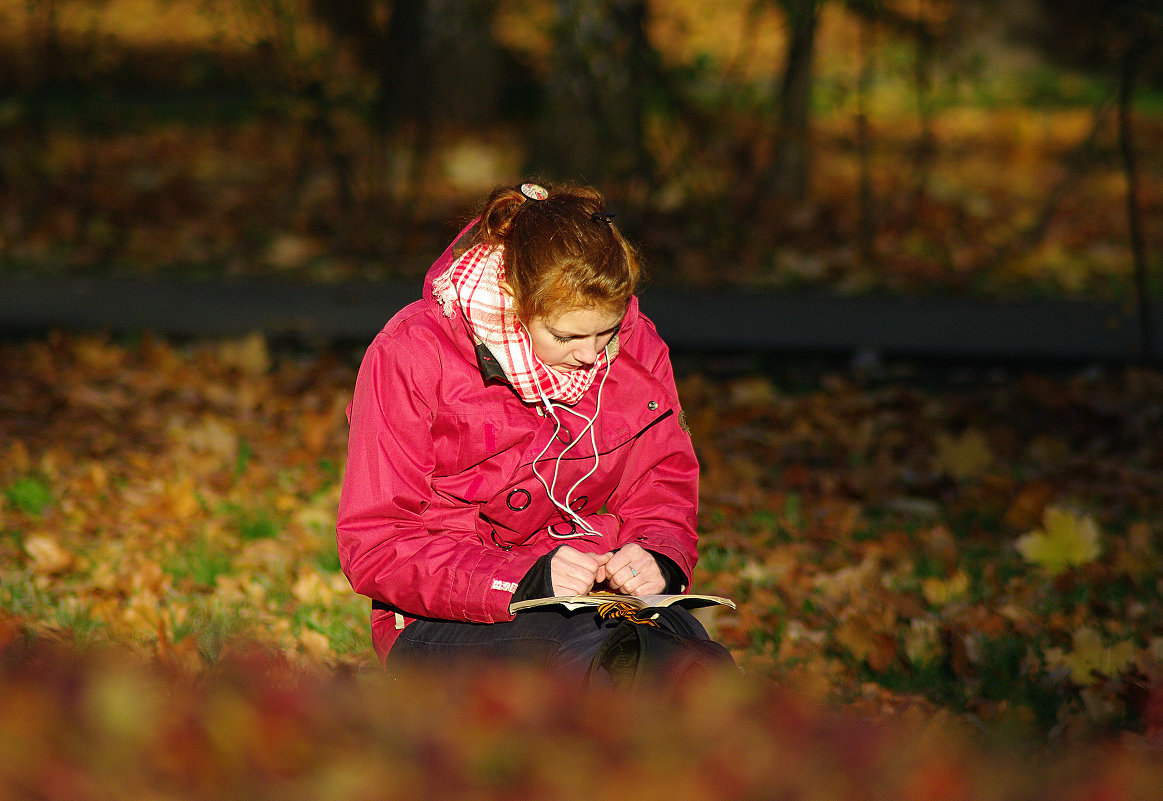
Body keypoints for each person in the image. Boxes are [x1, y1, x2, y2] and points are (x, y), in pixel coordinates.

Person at [337, 181, 722, 681]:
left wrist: (658, 557)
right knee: (596, 656)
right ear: (516, 303)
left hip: (599, 599)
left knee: (688, 655)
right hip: (444, 613)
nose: (590, 354)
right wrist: (521, 579)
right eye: (567, 336)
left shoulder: (637, 344)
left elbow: (660, 486)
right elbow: (376, 544)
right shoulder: (411, 352)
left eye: (605, 333)